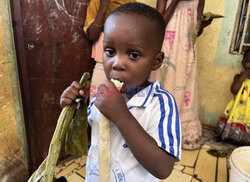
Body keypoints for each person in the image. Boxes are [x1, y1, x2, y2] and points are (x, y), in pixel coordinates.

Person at [60, 3, 181, 181]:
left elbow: (163, 168)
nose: (116, 63)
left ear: (156, 61)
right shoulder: (101, 97)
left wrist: (121, 116)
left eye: (133, 55)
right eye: (110, 51)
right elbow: (88, 140)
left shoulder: (161, 104)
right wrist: (73, 112)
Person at [150, 0, 212, 149]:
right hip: (167, 46)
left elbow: (197, 29)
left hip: (187, 50)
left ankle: (180, 134)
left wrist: (202, 25)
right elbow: (158, 24)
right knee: (162, 84)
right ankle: (154, 132)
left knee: (185, 88)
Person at [84, 0, 135, 99]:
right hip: (102, 63)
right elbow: (92, 36)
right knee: (95, 105)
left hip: (126, 64)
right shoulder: (97, 2)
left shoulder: (130, 3)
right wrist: (103, 8)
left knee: (123, 104)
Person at [215, 49, 250, 145]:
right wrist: (243, 77)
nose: (247, 62)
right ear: (242, 62)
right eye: (246, 60)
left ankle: (244, 142)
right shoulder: (238, 77)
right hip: (237, 108)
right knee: (233, 122)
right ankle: (228, 137)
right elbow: (234, 90)